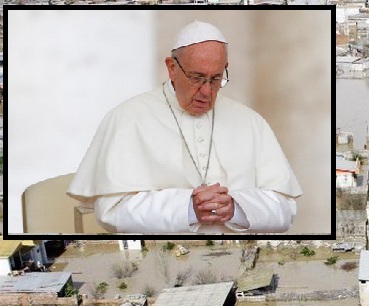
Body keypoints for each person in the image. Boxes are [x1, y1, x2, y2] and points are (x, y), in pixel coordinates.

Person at [67, 21, 302, 234]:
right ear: (171, 68)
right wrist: (188, 208)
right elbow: (111, 213)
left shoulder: (251, 121)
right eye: (196, 78)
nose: (207, 91)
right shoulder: (127, 118)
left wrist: (235, 208)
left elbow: (285, 210)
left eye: (216, 79)